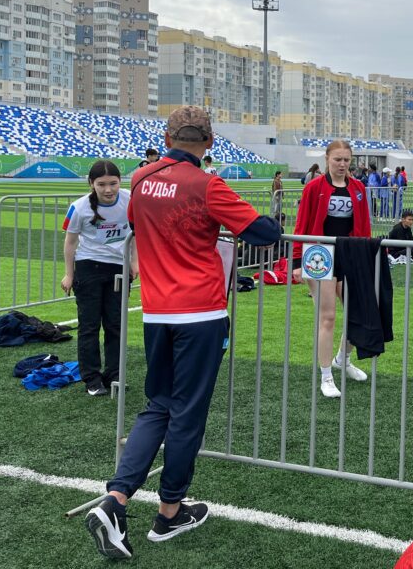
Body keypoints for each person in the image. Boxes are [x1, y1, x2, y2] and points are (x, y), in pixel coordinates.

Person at [85, 106, 281, 559]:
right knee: (187, 415)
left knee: (158, 405)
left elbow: (139, 226)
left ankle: (116, 499)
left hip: (157, 311)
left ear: (167, 137)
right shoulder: (208, 184)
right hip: (200, 312)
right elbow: (264, 232)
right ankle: (169, 512)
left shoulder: (140, 179)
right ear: (209, 142)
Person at [291, 140, 373, 398]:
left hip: (350, 255)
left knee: (357, 313)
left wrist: (367, 257)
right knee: (327, 317)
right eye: (338, 159)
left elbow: (365, 226)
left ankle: (342, 360)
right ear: (327, 159)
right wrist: (296, 262)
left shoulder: (358, 188)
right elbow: (301, 224)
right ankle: (326, 376)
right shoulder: (313, 187)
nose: (342, 164)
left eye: (346, 160)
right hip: (319, 256)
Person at [61, 160, 137, 398]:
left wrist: (134, 263)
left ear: (120, 181)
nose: (108, 189)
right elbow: (70, 243)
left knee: (115, 325)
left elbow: (136, 234)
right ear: (91, 183)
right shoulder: (79, 207)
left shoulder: (130, 200)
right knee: (89, 326)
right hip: (89, 268)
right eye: (101, 184)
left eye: (113, 183)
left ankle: (114, 375)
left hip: (118, 269)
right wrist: (69, 274)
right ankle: (92, 379)